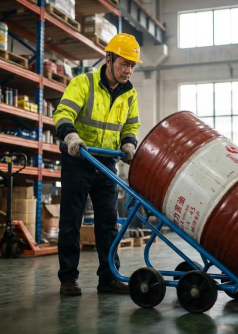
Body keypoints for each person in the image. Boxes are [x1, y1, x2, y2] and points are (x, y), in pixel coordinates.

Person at [53, 33, 142, 296]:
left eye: (133, 65)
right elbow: (63, 112)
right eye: (124, 63)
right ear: (109, 59)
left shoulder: (130, 93)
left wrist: (129, 144)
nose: (129, 70)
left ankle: (109, 278)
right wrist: (70, 136)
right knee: (71, 222)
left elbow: (131, 125)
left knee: (108, 223)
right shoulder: (84, 83)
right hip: (78, 158)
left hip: (106, 163)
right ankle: (68, 279)